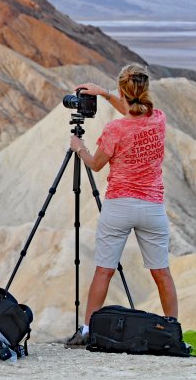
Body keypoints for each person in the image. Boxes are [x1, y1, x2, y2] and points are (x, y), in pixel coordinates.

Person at [65, 63, 178, 347]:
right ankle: (173, 329)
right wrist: (105, 93)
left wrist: (79, 147)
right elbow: (134, 113)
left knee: (104, 270)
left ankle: (88, 331)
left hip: (119, 206)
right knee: (161, 272)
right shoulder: (159, 119)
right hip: (152, 208)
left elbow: (96, 164)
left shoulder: (115, 129)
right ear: (145, 90)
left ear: (122, 90)